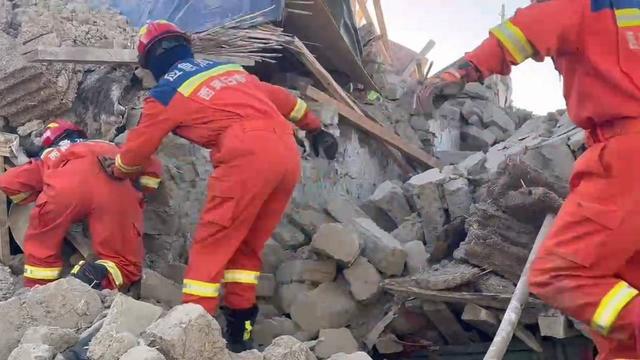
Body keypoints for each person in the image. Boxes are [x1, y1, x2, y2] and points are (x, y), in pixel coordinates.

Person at [418, 0, 640, 357]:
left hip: (626, 156)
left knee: (562, 273)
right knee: (626, 284)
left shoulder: (577, 4)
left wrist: (461, 71)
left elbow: (520, 32)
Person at [101, 20, 338, 352]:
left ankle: (192, 336)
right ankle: (241, 335)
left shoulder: (166, 91)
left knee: (209, 250)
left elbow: (140, 148)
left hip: (246, 156)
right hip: (285, 153)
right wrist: (315, 129)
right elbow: (284, 100)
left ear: (151, 61)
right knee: (246, 247)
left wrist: (121, 169)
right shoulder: (227, 71)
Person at [0, 120, 162, 290]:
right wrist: (139, 190)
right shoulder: (108, 145)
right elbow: (152, 165)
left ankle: (39, 290)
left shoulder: (51, 155)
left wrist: (35, 195)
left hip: (64, 190)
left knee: (42, 240)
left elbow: (9, 182)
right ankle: (92, 277)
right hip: (114, 187)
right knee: (124, 262)